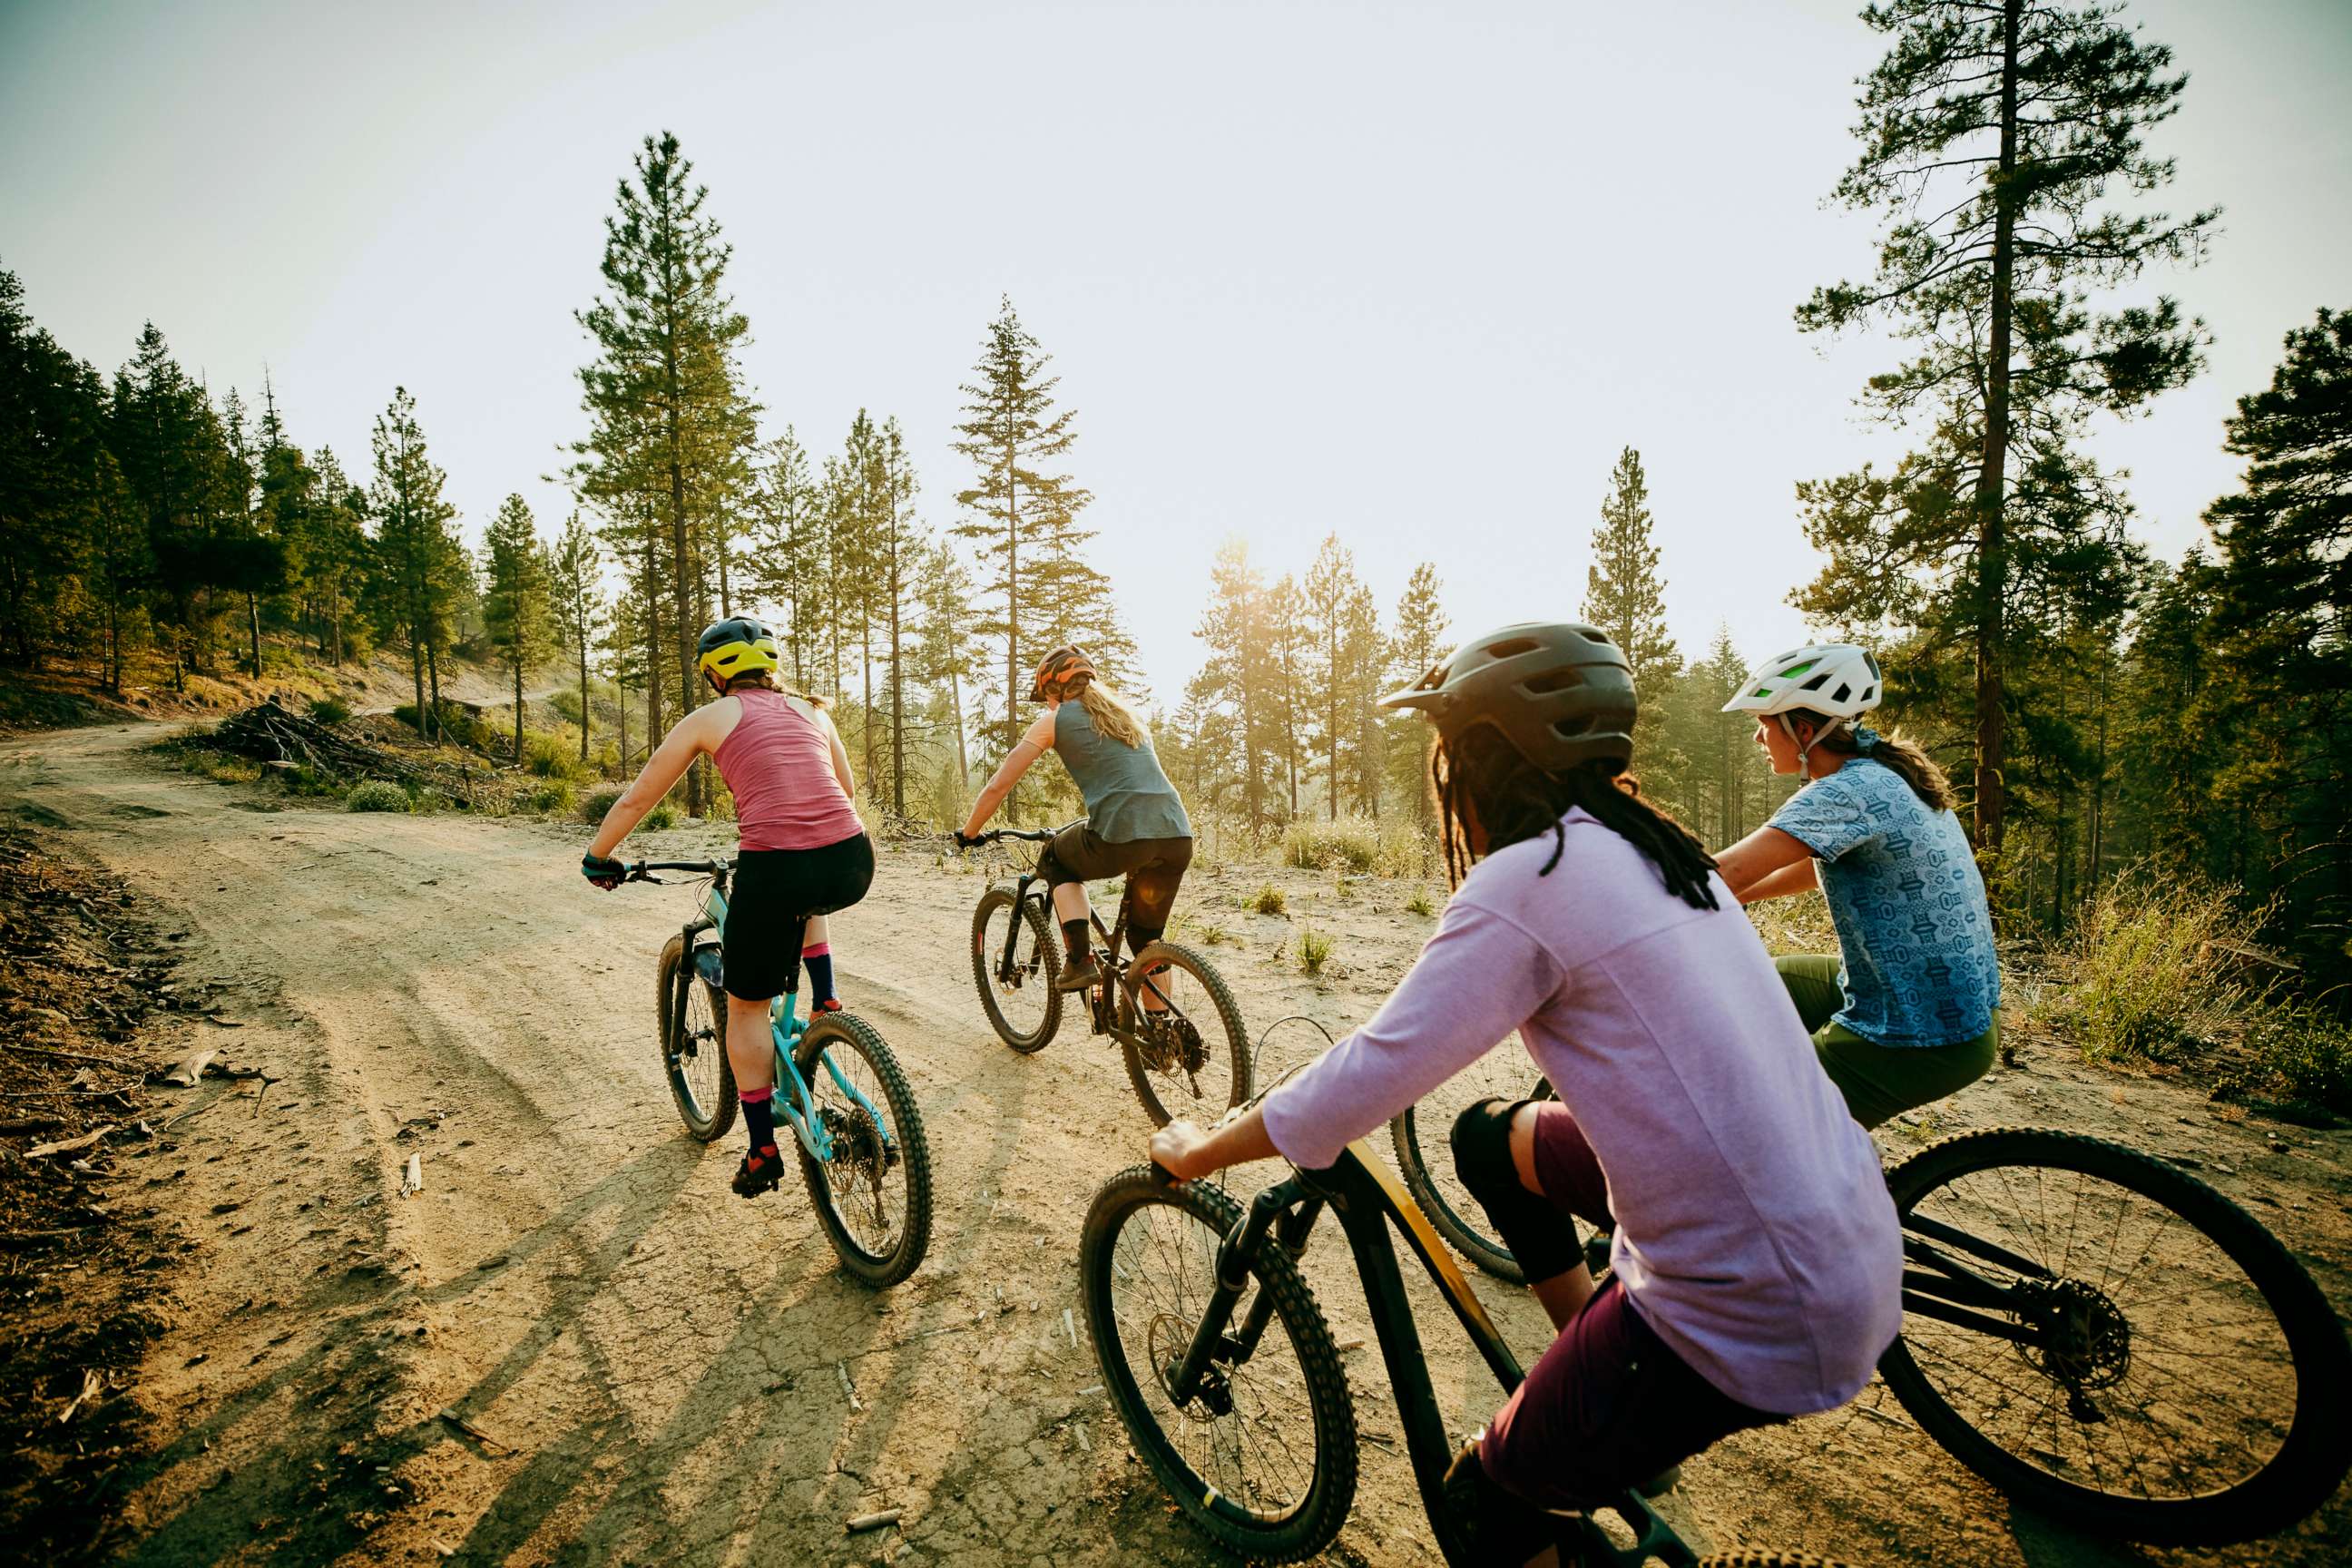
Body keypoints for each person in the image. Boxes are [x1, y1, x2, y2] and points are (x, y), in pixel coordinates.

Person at [1144, 622, 1900, 1560]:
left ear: (1482, 760)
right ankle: (1595, 1378)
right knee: (1484, 1138)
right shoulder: (1649, 843)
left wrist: (1203, 1147)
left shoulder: (1529, 878)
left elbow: (1364, 1081)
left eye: (1449, 757)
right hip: (1847, 1235)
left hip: (1755, 1298)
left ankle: (1589, 1417)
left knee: (1487, 1507)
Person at [581, 616, 871, 1200]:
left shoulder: (710, 719)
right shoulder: (815, 711)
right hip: (852, 860)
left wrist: (598, 855)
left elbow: (641, 796)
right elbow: (843, 789)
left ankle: (762, 1148)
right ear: (771, 666)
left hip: (778, 869)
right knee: (808, 890)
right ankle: (827, 999)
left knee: (745, 1011)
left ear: (715, 672)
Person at [1711, 642, 2001, 1130]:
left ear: (1802, 730)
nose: (1759, 739)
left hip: (1918, 1031)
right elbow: (1807, 868)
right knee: (1744, 985)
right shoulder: (1884, 773)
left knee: (1758, 1131)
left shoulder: (1842, 791)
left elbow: (1724, 871)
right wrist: (1734, 897)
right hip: (1952, 1007)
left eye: (1764, 724)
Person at [955, 647, 1192, 996]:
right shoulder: (1129, 716)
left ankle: (1080, 960)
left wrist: (969, 832)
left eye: (1047, 698)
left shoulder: (1055, 720)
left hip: (1123, 836)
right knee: (1145, 940)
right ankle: (1165, 1035)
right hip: (1176, 835)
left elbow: (999, 785)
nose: (1049, 706)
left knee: (1055, 858)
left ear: (1056, 690)